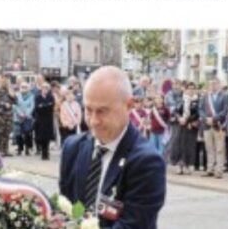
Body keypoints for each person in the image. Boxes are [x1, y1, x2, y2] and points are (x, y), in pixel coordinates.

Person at [60, 67, 166, 229]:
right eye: (88, 110)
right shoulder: (72, 148)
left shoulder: (147, 162)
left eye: (102, 111)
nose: (94, 121)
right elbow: (68, 208)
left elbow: (133, 225)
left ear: (129, 105)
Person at [199, 78, 228, 178]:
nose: (213, 86)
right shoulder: (206, 96)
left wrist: (214, 118)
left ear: (219, 85)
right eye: (211, 84)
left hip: (218, 125)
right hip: (207, 125)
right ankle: (210, 169)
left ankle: (219, 170)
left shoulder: (225, 96)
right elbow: (201, 109)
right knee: (209, 148)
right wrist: (206, 118)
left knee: (220, 149)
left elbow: (225, 111)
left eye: (215, 84)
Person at [167, 82, 199, 175]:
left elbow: (197, 113)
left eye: (193, 88)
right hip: (180, 124)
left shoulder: (197, 100)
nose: (191, 90)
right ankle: (179, 165)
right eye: (189, 88)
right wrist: (179, 118)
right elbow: (176, 111)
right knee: (179, 144)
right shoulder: (181, 99)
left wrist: (188, 121)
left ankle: (188, 165)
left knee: (189, 145)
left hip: (191, 125)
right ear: (185, 90)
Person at [34, 81, 56, 160]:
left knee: (47, 137)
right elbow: (37, 108)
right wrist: (46, 106)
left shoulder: (51, 97)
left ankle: (46, 152)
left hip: (48, 119)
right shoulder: (37, 97)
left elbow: (51, 106)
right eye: (43, 88)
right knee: (41, 137)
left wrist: (43, 106)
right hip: (40, 119)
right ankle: (43, 152)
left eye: (46, 88)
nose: (45, 89)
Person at [13, 81, 35, 156]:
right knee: (18, 134)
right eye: (22, 87)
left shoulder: (31, 96)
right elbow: (14, 106)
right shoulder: (17, 95)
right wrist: (20, 114)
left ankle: (27, 148)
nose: (24, 88)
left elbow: (32, 106)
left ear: (28, 88)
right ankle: (20, 148)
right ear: (20, 88)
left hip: (27, 117)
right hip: (18, 117)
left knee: (27, 133)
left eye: (25, 87)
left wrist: (26, 114)